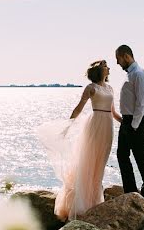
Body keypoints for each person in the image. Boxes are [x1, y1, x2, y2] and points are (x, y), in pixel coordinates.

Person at [36, 59, 123, 220]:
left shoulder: (110, 88)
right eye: (105, 66)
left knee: (100, 164)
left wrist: (125, 123)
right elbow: (79, 107)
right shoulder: (91, 88)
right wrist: (68, 125)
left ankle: (95, 201)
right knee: (88, 163)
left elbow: (113, 112)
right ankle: (82, 205)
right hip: (95, 125)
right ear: (99, 70)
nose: (109, 68)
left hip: (108, 127)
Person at [115, 44, 144, 208]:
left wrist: (134, 125)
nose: (117, 63)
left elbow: (141, 103)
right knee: (122, 155)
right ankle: (130, 191)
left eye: (118, 59)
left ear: (125, 56)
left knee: (141, 160)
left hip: (134, 122)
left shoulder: (138, 74)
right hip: (127, 121)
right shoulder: (130, 74)